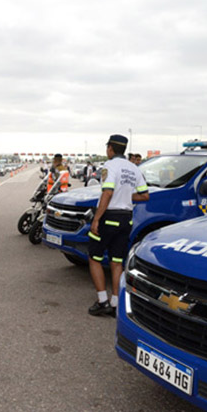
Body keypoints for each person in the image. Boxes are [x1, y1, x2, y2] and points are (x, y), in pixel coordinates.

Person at [87, 134, 149, 317]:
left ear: (110, 149)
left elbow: (107, 193)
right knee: (116, 262)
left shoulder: (109, 166)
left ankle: (102, 301)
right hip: (126, 219)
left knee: (94, 258)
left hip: (108, 217)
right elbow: (145, 196)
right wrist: (125, 197)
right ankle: (115, 304)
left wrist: (97, 218)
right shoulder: (134, 168)